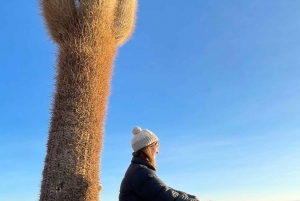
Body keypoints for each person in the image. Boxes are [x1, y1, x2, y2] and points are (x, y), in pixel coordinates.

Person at [119, 126, 200, 201]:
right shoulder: (140, 172)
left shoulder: (137, 169)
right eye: (156, 147)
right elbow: (166, 196)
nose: (157, 151)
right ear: (148, 148)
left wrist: (192, 197)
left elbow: (166, 190)